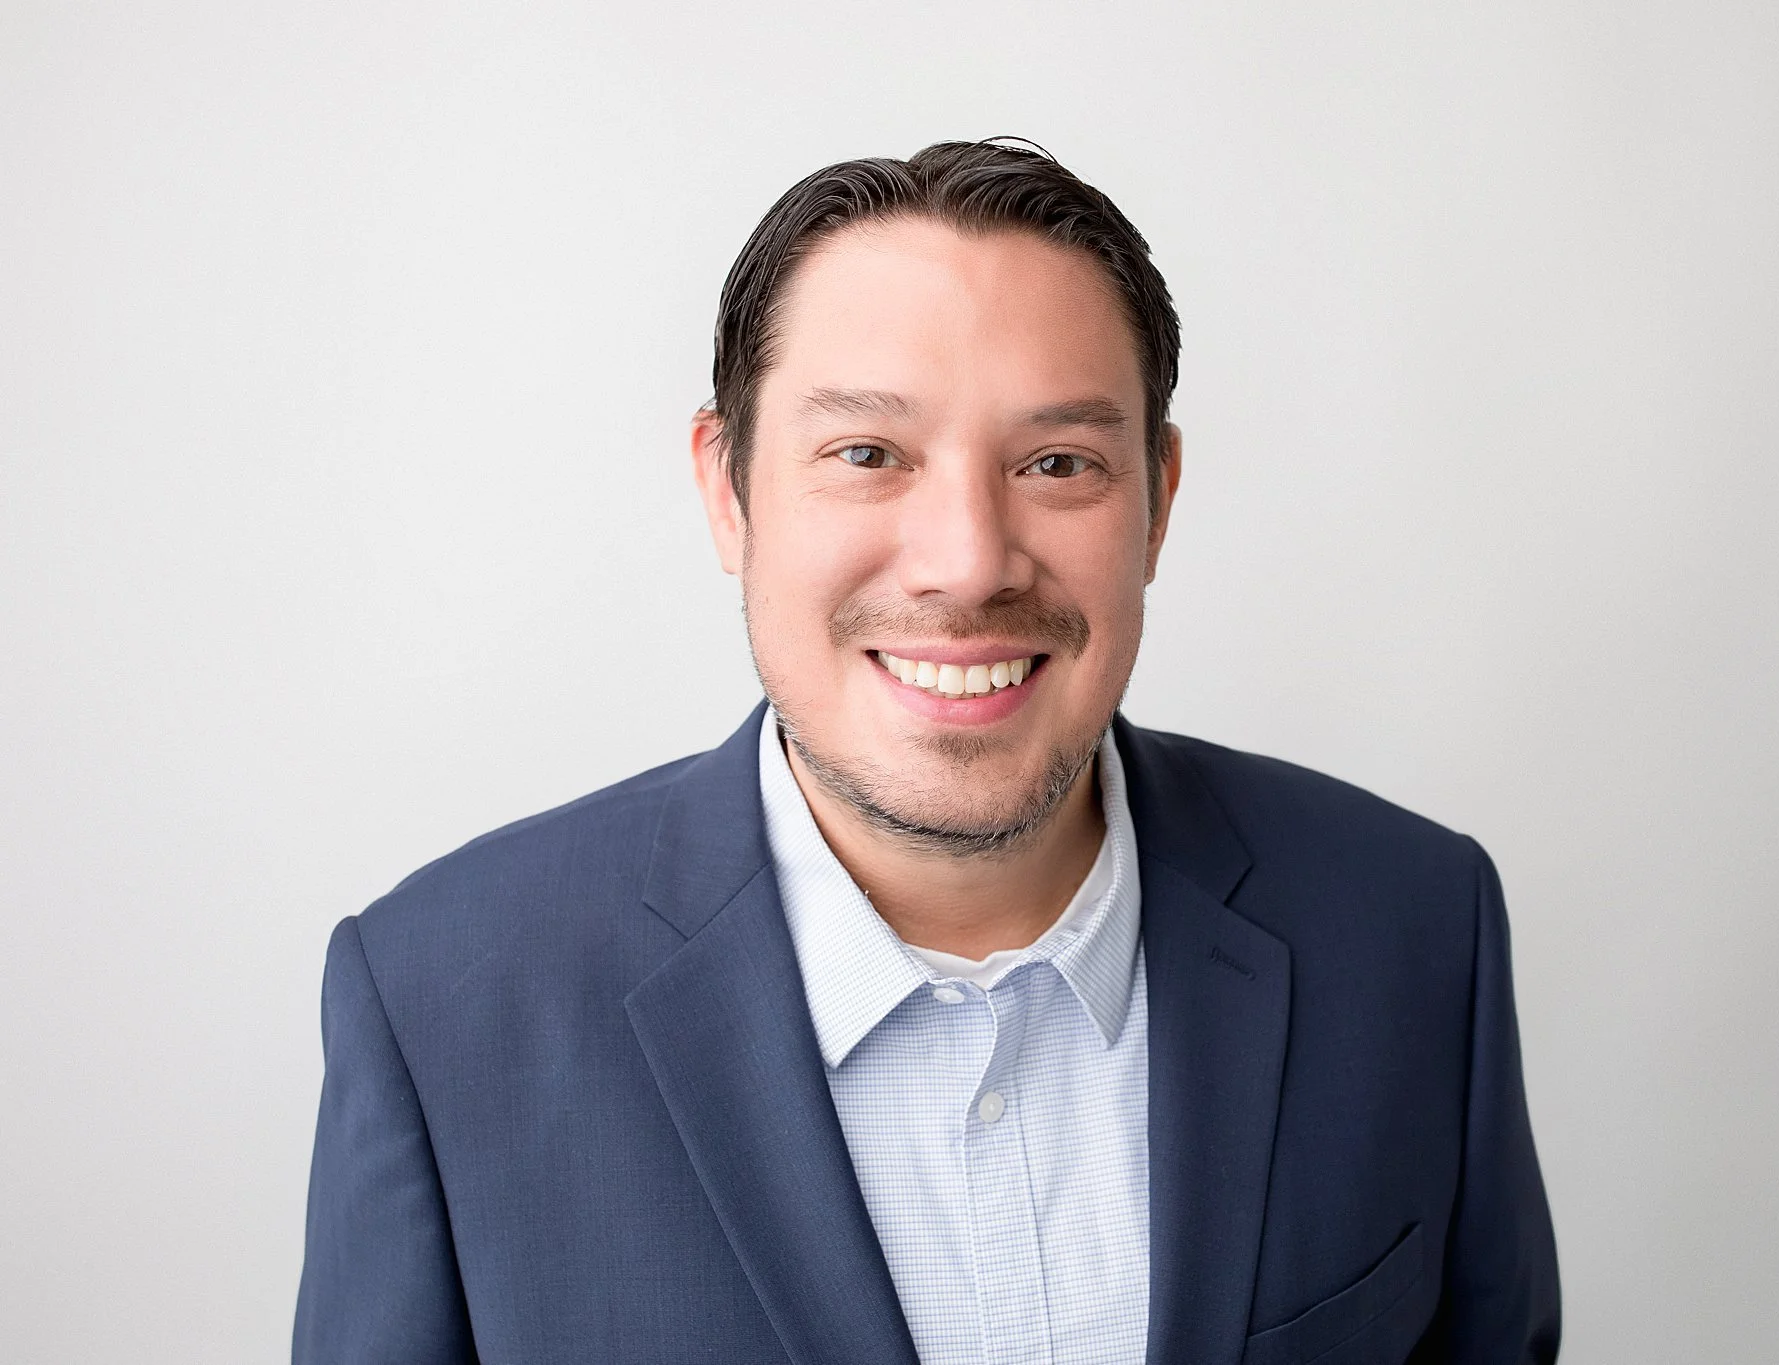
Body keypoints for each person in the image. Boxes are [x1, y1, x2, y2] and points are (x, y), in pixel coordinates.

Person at [293, 139, 1561, 1365]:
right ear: (727, 491)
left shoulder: (1412, 928)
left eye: (1057, 462)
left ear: (1158, 502)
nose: (966, 560)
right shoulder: (442, 1004)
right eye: (866, 455)